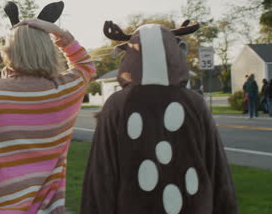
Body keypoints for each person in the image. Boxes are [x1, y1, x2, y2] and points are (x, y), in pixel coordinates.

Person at [0, 1, 95, 213]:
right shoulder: (65, 90)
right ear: (48, 50)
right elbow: (85, 66)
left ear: (8, 52)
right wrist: (57, 32)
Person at [81, 21, 237, 213]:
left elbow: (101, 175)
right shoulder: (195, 103)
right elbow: (217, 168)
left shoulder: (117, 104)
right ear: (174, 53)